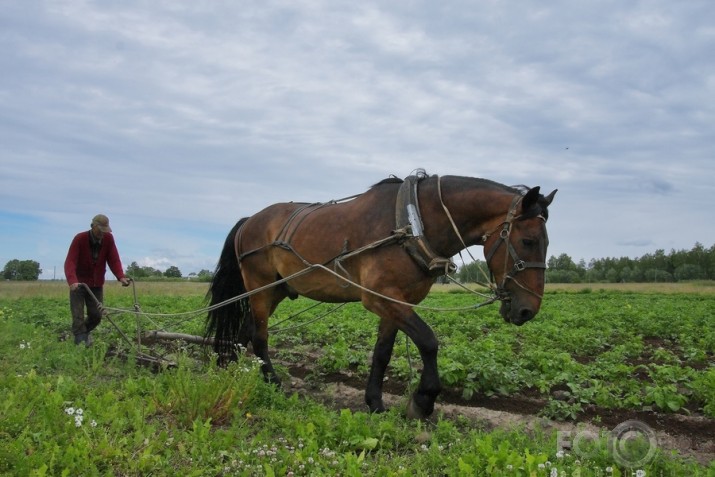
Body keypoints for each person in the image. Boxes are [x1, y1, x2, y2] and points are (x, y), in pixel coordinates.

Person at [64, 214, 130, 345]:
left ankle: (83, 334)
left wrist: (121, 276)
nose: (102, 233)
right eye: (100, 230)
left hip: (96, 284)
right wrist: (72, 281)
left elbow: (113, 259)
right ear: (93, 226)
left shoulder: (108, 239)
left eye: (105, 230)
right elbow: (70, 261)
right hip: (79, 284)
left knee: (96, 316)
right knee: (78, 316)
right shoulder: (80, 238)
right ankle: (80, 345)